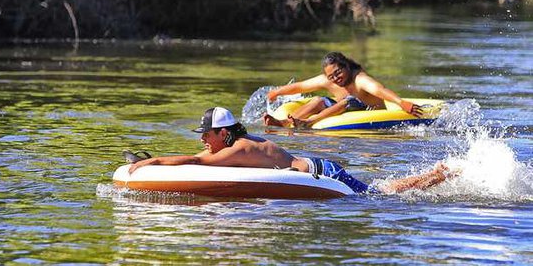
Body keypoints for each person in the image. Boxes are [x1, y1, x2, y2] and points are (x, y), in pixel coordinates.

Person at [125, 107, 456, 195]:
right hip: (317, 167)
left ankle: (437, 175)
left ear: (222, 133)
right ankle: (436, 174)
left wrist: (153, 161)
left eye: (206, 134)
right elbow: (204, 159)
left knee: (380, 196)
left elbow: (198, 161)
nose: (202, 139)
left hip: (322, 174)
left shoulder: (240, 147)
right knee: (378, 192)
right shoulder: (237, 144)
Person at [263, 51, 423, 128]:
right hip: (342, 110)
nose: (336, 79)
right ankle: (283, 122)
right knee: (318, 100)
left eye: (338, 72)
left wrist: (401, 102)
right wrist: (277, 92)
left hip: (367, 112)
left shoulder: (360, 79)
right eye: (331, 76)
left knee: (349, 100)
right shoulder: (329, 80)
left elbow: (380, 90)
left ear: (346, 66)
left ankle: (308, 122)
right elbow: (301, 86)